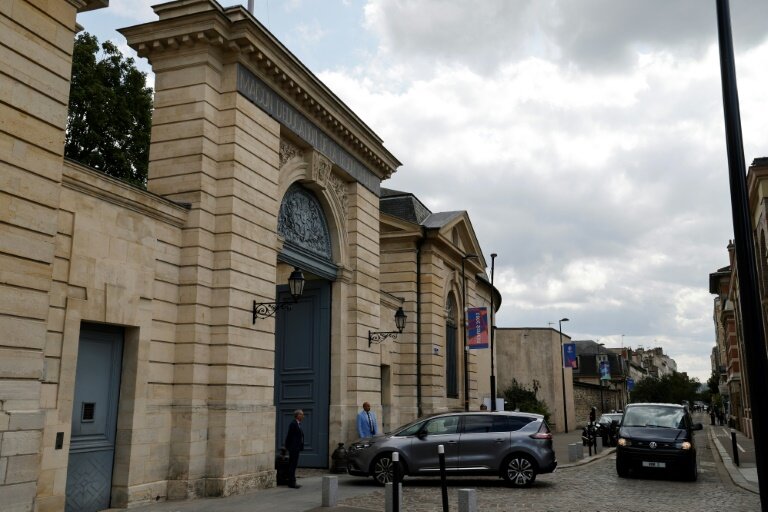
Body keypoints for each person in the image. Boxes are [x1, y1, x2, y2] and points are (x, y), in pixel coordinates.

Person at [285, 409, 304, 489]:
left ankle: (292, 481)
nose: (303, 416)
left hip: (296, 448)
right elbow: (289, 436)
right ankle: (292, 482)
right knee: (292, 465)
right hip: (294, 448)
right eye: (302, 414)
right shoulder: (293, 424)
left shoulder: (297, 424)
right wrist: (289, 447)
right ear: (298, 415)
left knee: (293, 465)